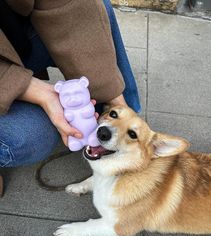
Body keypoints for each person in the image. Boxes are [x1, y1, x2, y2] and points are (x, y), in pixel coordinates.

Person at [0, 0, 141, 174]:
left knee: (96, 8)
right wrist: (35, 91)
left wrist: (114, 98)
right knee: (31, 137)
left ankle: (130, 124)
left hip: (12, 38)